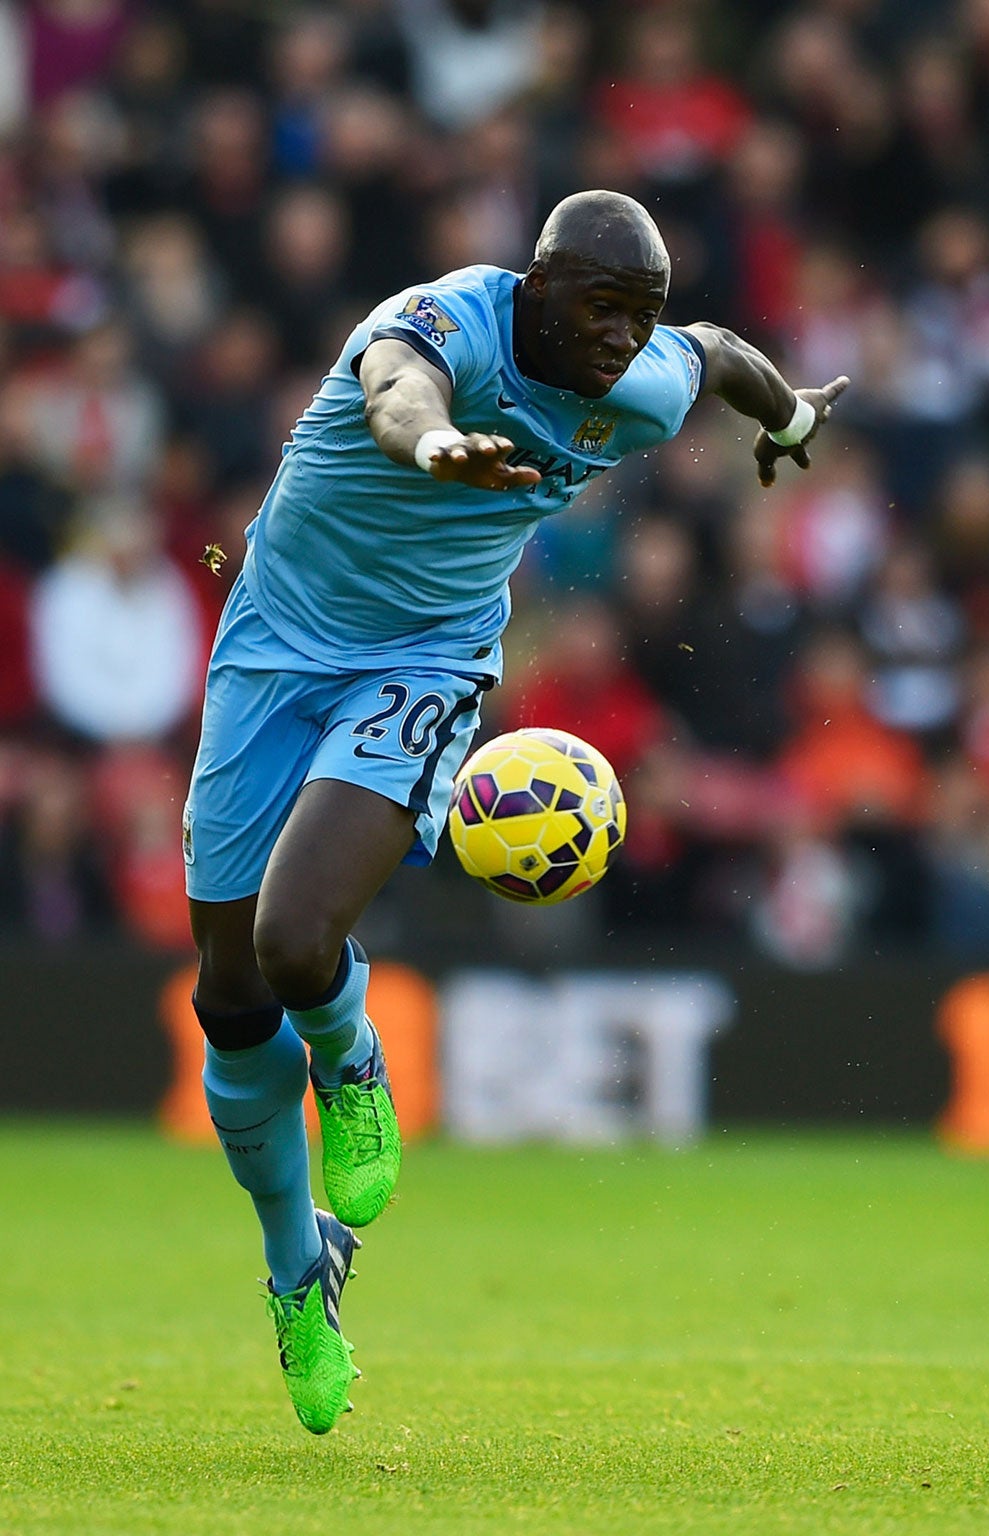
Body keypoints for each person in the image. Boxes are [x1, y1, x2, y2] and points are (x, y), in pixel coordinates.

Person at [184, 190, 847, 1435]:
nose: (622, 337)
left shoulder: (643, 375)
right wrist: (432, 444)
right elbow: (395, 391)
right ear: (536, 283)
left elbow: (721, 357)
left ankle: (352, 1057)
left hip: (425, 661)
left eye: (639, 313)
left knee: (291, 939)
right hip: (270, 648)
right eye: (602, 307)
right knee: (226, 995)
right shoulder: (445, 323)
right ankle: (296, 1268)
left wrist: (795, 416)